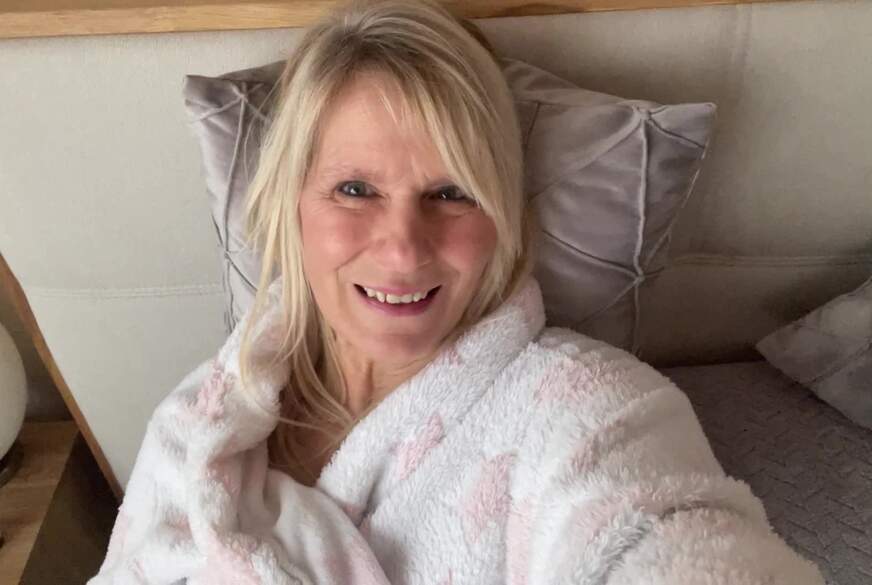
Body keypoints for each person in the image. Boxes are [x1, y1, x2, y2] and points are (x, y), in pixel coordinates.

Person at [88, 0, 825, 583]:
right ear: (293, 206)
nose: (404, 246)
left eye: (451, 193)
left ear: (501, 216)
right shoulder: (202, 415)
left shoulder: (587, 408)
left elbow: (662, 533)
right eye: (355, 189)